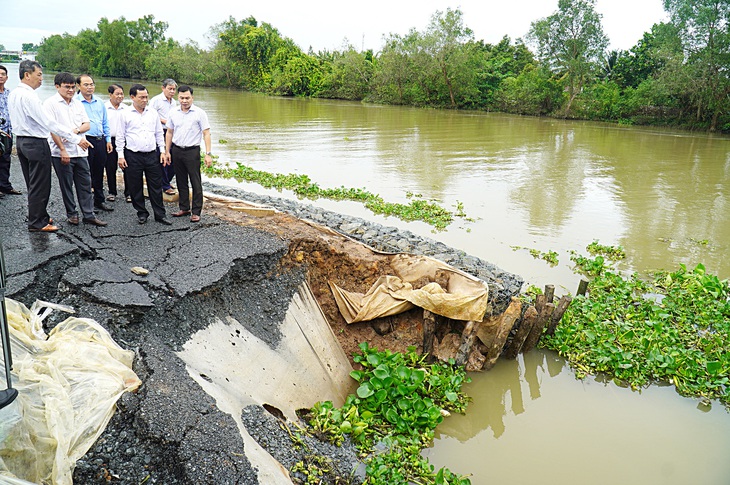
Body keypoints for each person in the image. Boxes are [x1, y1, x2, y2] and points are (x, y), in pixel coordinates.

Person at [8, 60, 91, 232]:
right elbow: (49, 123)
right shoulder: (29, 96)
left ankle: (39, 215)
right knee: (40, 183)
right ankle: (37, 222)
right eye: (39, 75)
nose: (41, 79)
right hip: (35, 143)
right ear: (27, 75)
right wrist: (76, 139)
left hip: (22, 141)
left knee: (32, 182)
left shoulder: (14, 93)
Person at [44, 72, 107, 227]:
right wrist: (62, 149)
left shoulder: (78, 103)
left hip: (81, 150)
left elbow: (87, 125)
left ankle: (88, 214)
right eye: (67, 87)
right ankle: (72, 214)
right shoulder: (50, 104)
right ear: (57, 86)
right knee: (67, 185)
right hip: (62, 152)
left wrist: (74, 132)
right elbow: (52, 130)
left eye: (72, 87)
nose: (70, 90)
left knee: (85, 183)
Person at [116, 84, 171, 225]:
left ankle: (160, 214)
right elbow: (120, 136)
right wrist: (120, 156)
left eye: (146, 97)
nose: (145, 100)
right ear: (132, 97)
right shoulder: (125, 114)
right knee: (135, 185)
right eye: (141, 97)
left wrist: (163, 151)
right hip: (133, 155)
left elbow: (159, 133)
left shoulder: (153, 113)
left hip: (152, 154)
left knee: (155, 185)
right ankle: (142, 212)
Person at [165, 85, 213, 223]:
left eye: (187, 98)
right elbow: (169, 132)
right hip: (177, 149)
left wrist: (208, 154)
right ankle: (184, 207)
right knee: (180, 180)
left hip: (192, 151)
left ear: (192, 98)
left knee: (195, 181)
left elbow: (206, 133)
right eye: (181, 98)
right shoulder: (173, 112)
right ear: (178, 97)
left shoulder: (199, 113)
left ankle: (196, 211)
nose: (184, 101)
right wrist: (167, 151)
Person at [75, 74, 113, 212]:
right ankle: (87, 204)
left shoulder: (99, 102)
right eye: (86, 85)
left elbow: (105, 122)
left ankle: (99, 200)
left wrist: (108, 140)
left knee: (99, 171)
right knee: (85, 173)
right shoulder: (75, 102)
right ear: (78, 86)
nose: (90, 87)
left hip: (100, 140)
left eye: (91, 84)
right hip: (86, 140)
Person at [150, 78, 177, 196]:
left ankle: (166, 180)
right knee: (164, 159)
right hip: (161, 131)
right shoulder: (156, 100)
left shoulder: (174, 102)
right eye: (169, 89)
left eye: (174, 89)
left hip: (172, 132)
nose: (172, 91)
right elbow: (150, 114)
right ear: (163, 88)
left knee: (174, 159)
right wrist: (165, 121)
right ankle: (165, 185)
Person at [105, 84, 130, 202]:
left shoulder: (126, 109)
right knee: (110, 167)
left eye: (121, 94)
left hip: (124, 141)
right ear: (110, 95)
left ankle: (129, 193)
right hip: (109, 140)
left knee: (127, 167)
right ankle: (112, 192)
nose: (120, 96)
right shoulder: (104, 107)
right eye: (117, 94)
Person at [0, 64, 21, 197]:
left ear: (7, 77)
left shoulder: (10, 93)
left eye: (3, 74)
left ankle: (5, 186)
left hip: (7, 132)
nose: (0, 76)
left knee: (6, 159)